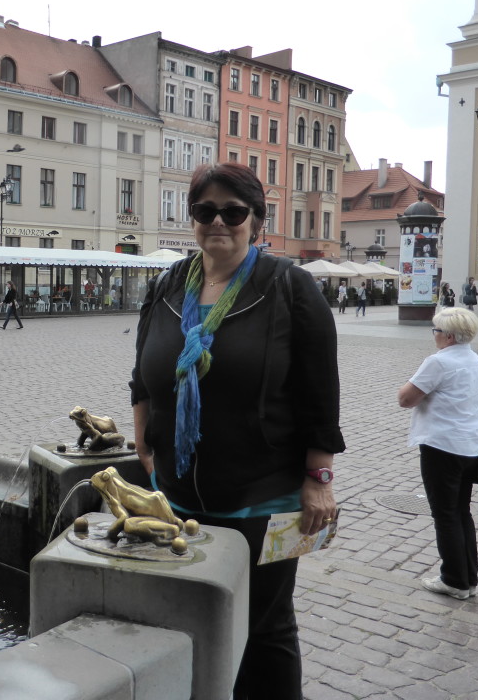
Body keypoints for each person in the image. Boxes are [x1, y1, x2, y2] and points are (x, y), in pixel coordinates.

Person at [131, 162, 343, 699]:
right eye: (205, 211)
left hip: (261, 498)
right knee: (191, 615)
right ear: (192, 217)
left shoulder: (288, 287)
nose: (218, 222)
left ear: (255, 219)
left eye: (233, 211)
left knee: (266, 630)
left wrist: (318, 476)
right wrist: (144, 440)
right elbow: (142, 375)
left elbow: (320, 390)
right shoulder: (169, 284)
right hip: (177, 498)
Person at [398, 308, 478, 601]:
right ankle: (468, 578)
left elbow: (406, 399)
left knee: (445, 514)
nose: (433, 335)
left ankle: (453, 580)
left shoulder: (439, 362)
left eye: (435, 331)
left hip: (442, 447)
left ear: (448, 336)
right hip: (471, 445)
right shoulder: (474, 359)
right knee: (461, 512)